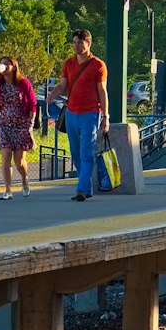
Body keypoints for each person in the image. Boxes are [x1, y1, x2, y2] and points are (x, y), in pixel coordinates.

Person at [61, 28, 108, 202]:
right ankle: (87, 187)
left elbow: (102, 91)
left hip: (90, 113)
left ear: (88, 43)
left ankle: (81, 189)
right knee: (75, 153)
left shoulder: (98, 65)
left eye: (80, 43)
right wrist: (53, 94)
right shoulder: (68, 63)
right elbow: (62, 85)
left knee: (86, 152)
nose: (76, 46)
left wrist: (105, 116)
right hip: (71, 113)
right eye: (74, 42)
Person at [0, 56, 39, 199]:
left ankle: (24, 179)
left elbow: (33, 104)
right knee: (5, 155)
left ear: (14, 67)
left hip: (21, 123)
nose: (3, 67)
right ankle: (8, 190)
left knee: (19, 161)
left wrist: (31, 123)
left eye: (6, 64)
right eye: (2, 64)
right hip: (4, 123)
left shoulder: (23, 83)